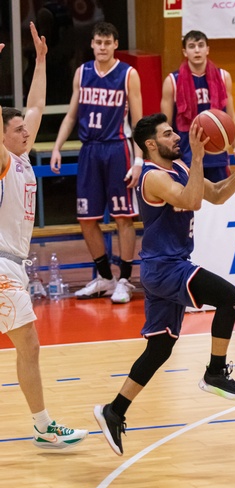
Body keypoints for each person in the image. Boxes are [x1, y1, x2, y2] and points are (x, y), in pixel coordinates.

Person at [94, 113, 235, 456]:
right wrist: (199, 158)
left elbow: (215, 195)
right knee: (229, 297)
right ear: (151, 144)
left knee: (159, 349)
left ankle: (114, 411)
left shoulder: (181, 168)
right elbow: (191, 201)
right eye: (168, 134)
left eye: (174, 132)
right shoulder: (153, 177)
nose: (177, 137)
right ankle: (216, 371)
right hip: (165, 267)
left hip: (168, 267)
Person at [0, 22, 88, 449]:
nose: (26, 132)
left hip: (13, 263)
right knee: (29, 345)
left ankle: (42, 424)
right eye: (17, 129)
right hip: (1, 267)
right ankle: (43, 426)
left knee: (28, 347)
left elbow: (35, 105)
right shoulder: (3, 160)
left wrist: (40, 61)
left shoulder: (20, 156)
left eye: (25, 128)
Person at [50, 21, 143, 304]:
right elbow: (71, 115)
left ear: (115, 45)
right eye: (98, 42)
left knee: (123, 217)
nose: (102, 47)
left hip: (118, 149)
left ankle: (124, 280)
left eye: (107, 42)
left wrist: (139, 160)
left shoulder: (128, 74)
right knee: (86, 219)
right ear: (92, 44)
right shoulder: (82, 72)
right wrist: (57, 147)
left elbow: (138, 122)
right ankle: (104, 277)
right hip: (89, 150)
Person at [161, 30, 235, 183]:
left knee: (221, 196)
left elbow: (231, 116)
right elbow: (166, 125)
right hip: (187, 155)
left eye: (201, 45)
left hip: (217, 153)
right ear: (185, 52)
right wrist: (169, 157)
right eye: (192, 46)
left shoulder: (223, 77)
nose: (197, 50)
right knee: (190, 198)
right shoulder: (172, 81)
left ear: (207, 49)